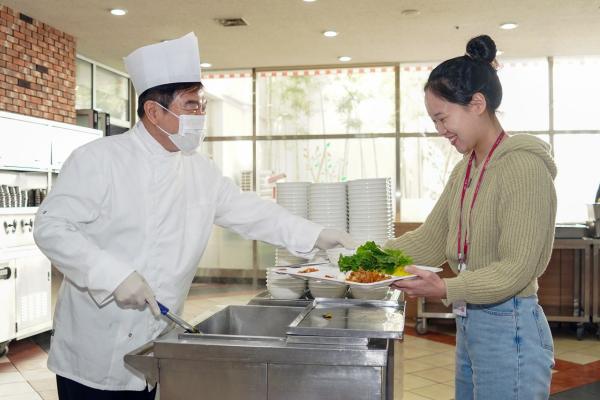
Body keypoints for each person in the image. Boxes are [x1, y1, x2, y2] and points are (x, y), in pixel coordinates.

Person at [33, 32, 355, 399]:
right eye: (191, 105)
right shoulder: (98, 160)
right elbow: (51, 228)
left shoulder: (201, 172)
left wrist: (317, 235)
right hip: (92, 354)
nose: (201, 116)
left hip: (156, 349)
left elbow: (253, 213)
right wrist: (113, 275)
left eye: (202, 106)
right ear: (154, 112)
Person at [388, 35, 556, 399]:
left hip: (509, 323)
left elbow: (515, 269)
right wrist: (365, 261)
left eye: (443, 118)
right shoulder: (467, 168)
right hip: (472, 320)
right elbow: (430, 241)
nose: (440, 131)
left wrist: (446, 288)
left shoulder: (523, 167)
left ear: (477, 104)